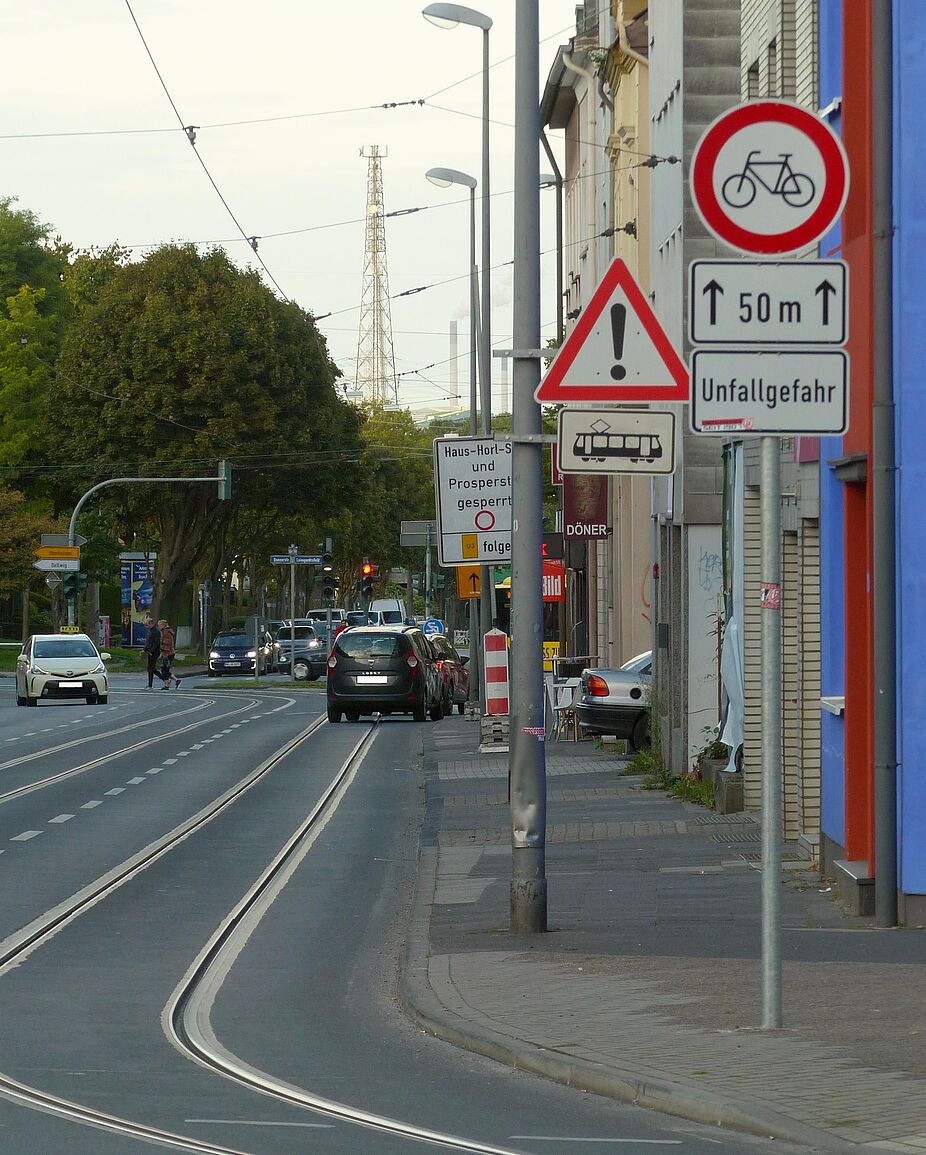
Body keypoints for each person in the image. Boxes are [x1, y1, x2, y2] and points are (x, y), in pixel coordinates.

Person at [158, 618, 181, 689]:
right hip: (170, 653)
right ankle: (175, 680)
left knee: (164, 669)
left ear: (163, 625)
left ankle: (167, 684)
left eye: (159, 625)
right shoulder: (168, 631)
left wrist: (162, 648)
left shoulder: (165, 632)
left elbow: (167, 643)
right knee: (165, 669)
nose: (158, 627)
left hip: (167, 653)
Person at [143, 616, 161, 689]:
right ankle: (164, 678)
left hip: (154, 652)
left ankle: (150, 685)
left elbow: (156, 643)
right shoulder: (150, 631)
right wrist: (145, 649)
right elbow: (148, 642)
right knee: (151, 668)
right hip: (150, 651)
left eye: (147, 625)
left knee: (151, 668)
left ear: (151, 623)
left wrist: (151, 651)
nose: (146, 626)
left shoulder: (156, 631)